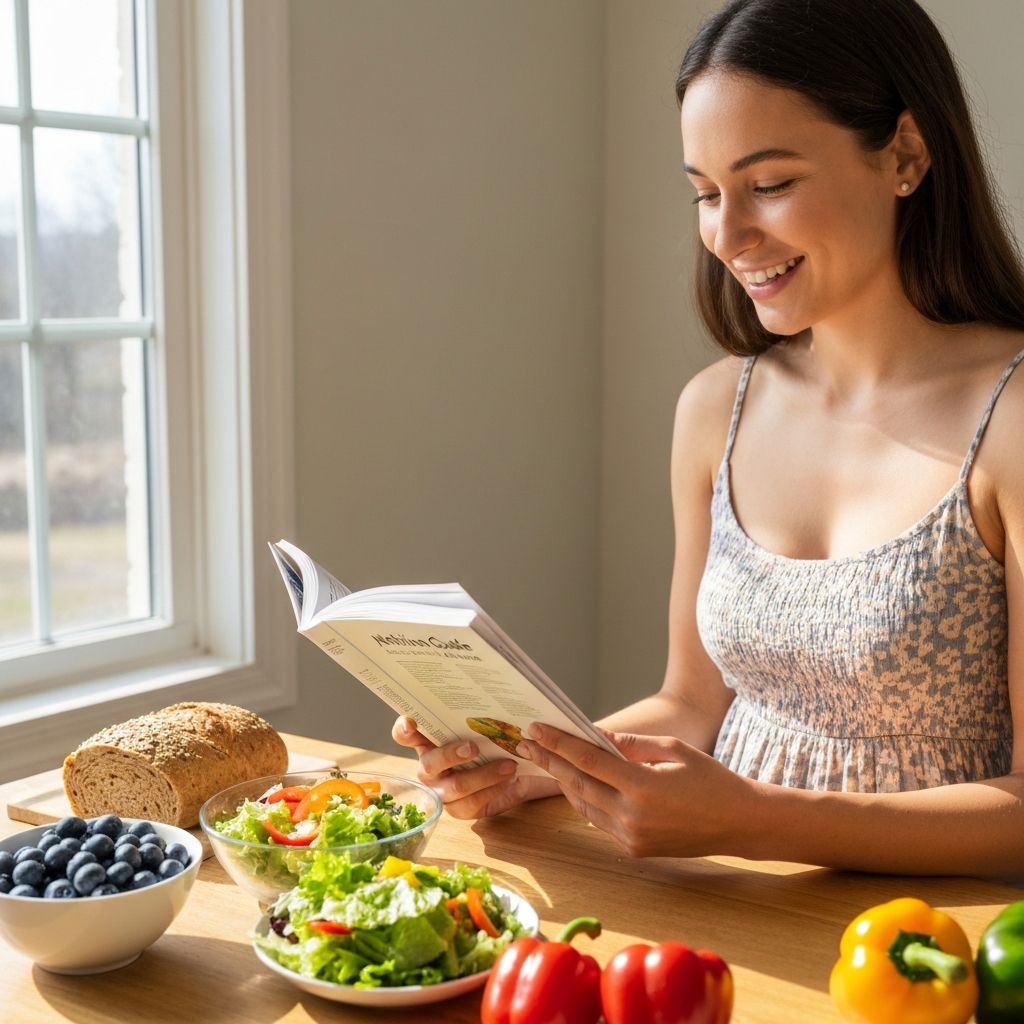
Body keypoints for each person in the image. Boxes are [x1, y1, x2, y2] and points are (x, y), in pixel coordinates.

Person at [394, 0, 1024, 879]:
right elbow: (691, 705)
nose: (728, 235)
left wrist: (758, 821)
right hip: (717, 900)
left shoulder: (1012, 420)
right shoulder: (714, 409)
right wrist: (536, 765)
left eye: (769, 184)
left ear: (906, 156)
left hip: (923, 948)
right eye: (705, 193)